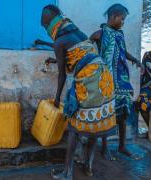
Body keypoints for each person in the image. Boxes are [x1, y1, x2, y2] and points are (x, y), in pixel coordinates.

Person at [40, 5, 116, 179]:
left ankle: (68, 172)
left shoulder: (59, 42)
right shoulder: (78, 33)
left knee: (74, 126)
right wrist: (55, 58)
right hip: (104, 78)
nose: (46, 30)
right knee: (96, 121)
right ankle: (88, 167)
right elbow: (79, 57)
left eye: (45, 27)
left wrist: (58, 98)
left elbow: (62, 75)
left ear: (50, 25)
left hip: (90, 80)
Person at [90, 4, 144, 158]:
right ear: (114, 16)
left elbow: (122, 52)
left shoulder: (120, 34)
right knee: (107, 113)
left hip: (122, 79)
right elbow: (84, 51)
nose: (123, 22)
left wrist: (136, 60)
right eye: (122, 19)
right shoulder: (99, 34)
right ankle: (105, 147)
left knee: (124, 112)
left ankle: (122, 146)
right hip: (106, 80)